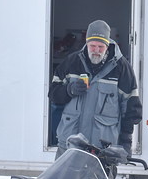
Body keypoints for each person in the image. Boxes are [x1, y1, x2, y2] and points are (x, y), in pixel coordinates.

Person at [49, 19, 141, 156]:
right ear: (86, 43)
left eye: (101, 47)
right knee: (63, 178)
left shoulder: (121, 68)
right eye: (92, 46)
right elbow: (53, 94)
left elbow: (131, 109)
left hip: (102, 149)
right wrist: (70, 90)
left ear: (108, 45)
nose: (96, 51)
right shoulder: (72, 62)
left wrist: (126, 142)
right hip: (69, 145)